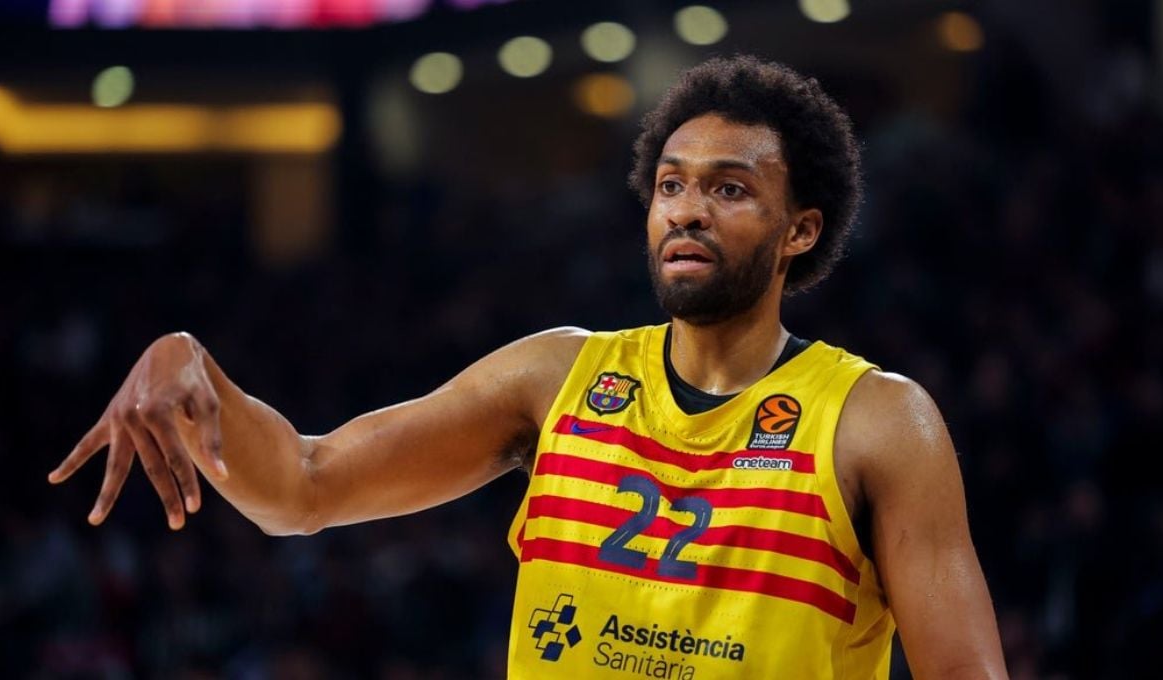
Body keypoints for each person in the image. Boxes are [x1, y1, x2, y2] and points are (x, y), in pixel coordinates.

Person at [49, 56, 1008, 679]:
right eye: (670, 185)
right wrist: (190, 369)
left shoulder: (876, 421)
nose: (686, 209)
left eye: (729, 189)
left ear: (800, 230)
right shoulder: (556, 378)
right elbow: (304, 484)